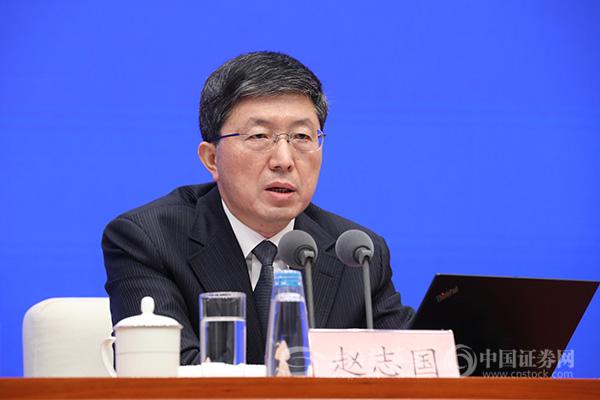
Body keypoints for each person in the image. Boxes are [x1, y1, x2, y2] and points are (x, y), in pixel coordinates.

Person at [102, 51, 414, 365]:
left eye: (302, 136)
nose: (284, 160)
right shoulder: (148, 240)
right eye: (260, 136)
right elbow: (164, 368)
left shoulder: (358, 254)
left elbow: (412, 363)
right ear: (212, 159)